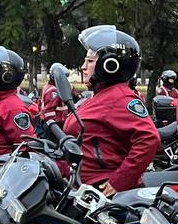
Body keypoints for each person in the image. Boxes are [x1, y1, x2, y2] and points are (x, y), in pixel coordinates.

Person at [63, 26, 159, 195]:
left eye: (90, 61)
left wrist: (119, 182)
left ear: (109, 65)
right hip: (80, 187)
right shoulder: (101, 96)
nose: (83, 67)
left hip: (100, 193)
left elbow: (149, 139)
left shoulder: (120, 98)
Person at [39, 63, 70, 128]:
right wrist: (55, 125)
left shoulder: (47, 87)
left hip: (50, 123)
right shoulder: (53, 91)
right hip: (54, 125)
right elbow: (49, 112)